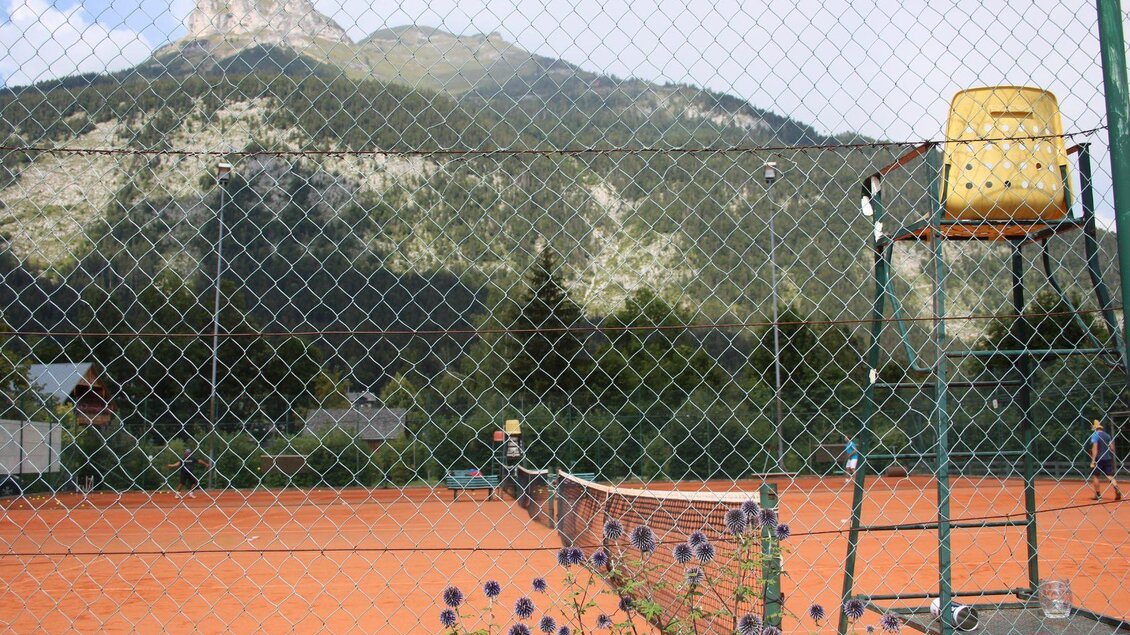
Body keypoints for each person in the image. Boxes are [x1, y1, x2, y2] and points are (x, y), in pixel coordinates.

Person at [1088, 420, 1123, 501]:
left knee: (1095, 475)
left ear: (1095, 427)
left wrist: (1093, 460)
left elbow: (1095, 448)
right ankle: (1116, 488)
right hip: (1107, 458)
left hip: (1098, 459)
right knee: (1109, 475)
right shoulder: (1107, 435)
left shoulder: (1095, 435)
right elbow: (1112, 448)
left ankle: (1098, 495)